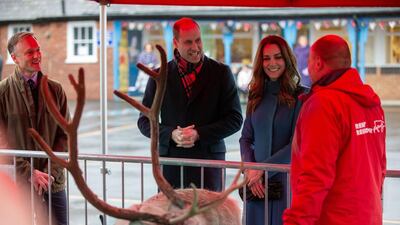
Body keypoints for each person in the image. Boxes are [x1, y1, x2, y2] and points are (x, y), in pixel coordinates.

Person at [283, 35, 386, 225]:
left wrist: (296, 221)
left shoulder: (323, 104)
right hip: (368, 215)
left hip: (333, 216)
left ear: (318, 63)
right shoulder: (372, 103)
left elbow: (316, 175)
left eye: (309, 61)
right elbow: (381, 166)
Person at [138, 17, 243, 192]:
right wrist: (171, 134)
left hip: (209, 163)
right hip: (170, 164)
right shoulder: (159, 76)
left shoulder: (221, 73)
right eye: (188, 42)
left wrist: (199, 134)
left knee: (209, 217)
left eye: (198, 40)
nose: (195, 47)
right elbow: (144, 121)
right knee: (172, 217)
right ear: (175, 42)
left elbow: (235, 119)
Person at [0, 32, 70, 225]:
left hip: (53, 183)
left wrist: (49, 174)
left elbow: (65, 137)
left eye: (38, 50)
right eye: (30, 52)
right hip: (19, 183)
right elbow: (1, 143)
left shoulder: (56, 90)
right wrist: (29, 173)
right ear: (15, 58)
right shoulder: (2, 93)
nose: (37, 55)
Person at [239, 35, 305, 225]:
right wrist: (252, 169)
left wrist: (263, 170)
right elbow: (245, 138)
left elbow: (297, 143)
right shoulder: (255, 94)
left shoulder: (302, 96)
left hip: (285, 183)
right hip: (255, 184)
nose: (272, 63)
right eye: (266, 58)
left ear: (287, 59)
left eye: (277, 57)